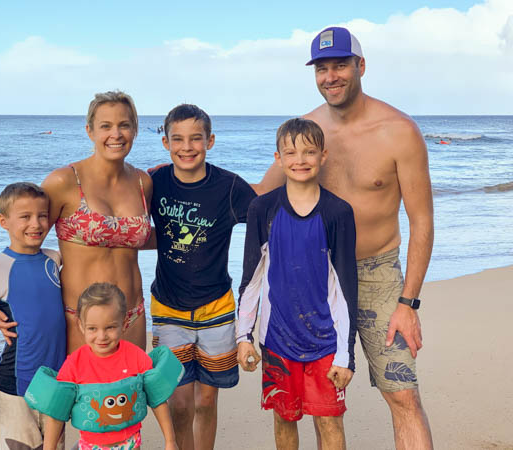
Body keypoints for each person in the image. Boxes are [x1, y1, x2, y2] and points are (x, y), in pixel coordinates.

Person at [261, 26, 435, 448]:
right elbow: (260, 197)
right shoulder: (309, 134)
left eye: (340, 65)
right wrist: (187, 178)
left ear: (361, 66)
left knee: (402, 394)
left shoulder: (399, 131)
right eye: (322, 69)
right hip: (315, 278)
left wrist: (408, 302)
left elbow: (422, 221)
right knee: (317, 403)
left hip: (377, 276)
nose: (331, 77)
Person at [0, 91, 152, 353]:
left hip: (132, 315)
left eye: (124, 125)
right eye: (106, 126)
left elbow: (145, 238)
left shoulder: (142, 182)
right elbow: (25, 244)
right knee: (82, 383)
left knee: (133, 381)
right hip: (80, 319)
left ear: (134, 130)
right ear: (90, 131)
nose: (116, 134)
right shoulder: (64, 181)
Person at [236, 118, 358, 450]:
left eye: (309, 152)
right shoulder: (262, 209)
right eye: (290, 153)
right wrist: (244, 337)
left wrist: (346, 355)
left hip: (326, 342)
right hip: (277, 339)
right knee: (284, 417)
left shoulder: (338, 212)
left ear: (323, 156)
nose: (300, 160)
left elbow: (346, 288)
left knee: (330, 421)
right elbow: (252, 279)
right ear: (278, 158)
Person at [147, 104, 260, 450]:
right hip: (169, 308)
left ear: (209, 141)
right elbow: (123, 219)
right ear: (166, 142)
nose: (187, 147)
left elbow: (265, 220)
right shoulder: (154, 183)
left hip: (217, 309)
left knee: (206, 401)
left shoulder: (229, 187)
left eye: (196, 138)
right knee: (180, 404)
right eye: (178, 139)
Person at [0, 182, 67, 449]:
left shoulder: (55, 260)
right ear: (4, 222)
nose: (36, 224)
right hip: (16, 387)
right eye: (25, 217)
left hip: (57, 384)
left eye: (42, 215)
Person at [43, 282, 177, 450]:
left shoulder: (136, 357)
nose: (102, 336)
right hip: (91, 445)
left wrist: (170, 441)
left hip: (130, 443)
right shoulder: (74, 364)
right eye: (92, 328)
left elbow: (158, 400)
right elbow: (56, 413)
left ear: (125, 323)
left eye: (110, 327)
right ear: (81, 325)